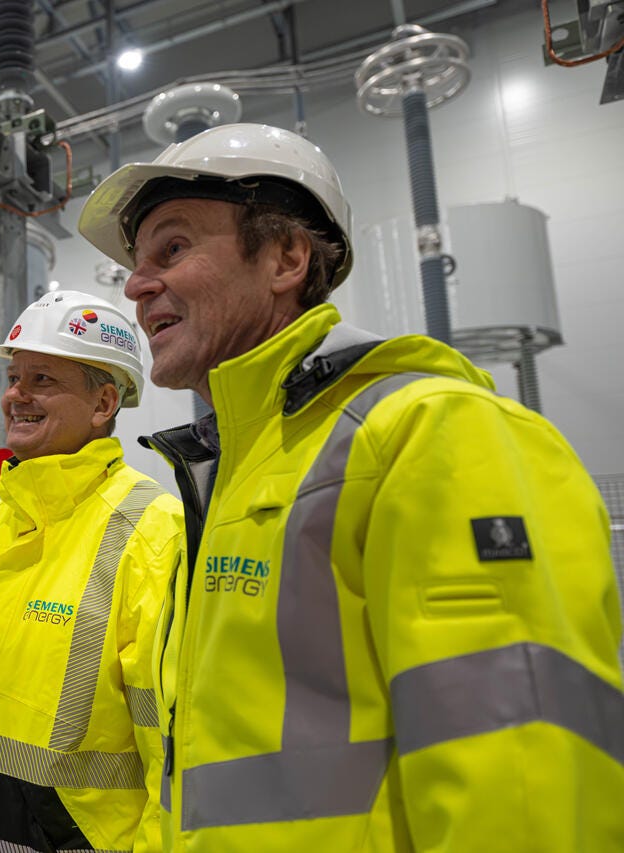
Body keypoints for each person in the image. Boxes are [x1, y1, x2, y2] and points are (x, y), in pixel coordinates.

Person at [77, 123, 624, 851]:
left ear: (286, 258)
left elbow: (527, 782)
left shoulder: (428, 432)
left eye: (172, 249)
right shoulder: (233, 475)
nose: (137, 285)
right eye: (136, 264)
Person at [0, 290, 185, 853]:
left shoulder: (153, 532)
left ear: (103, 404)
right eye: (14, 378)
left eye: (42, 379)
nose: (15, 396)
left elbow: (170, 746)